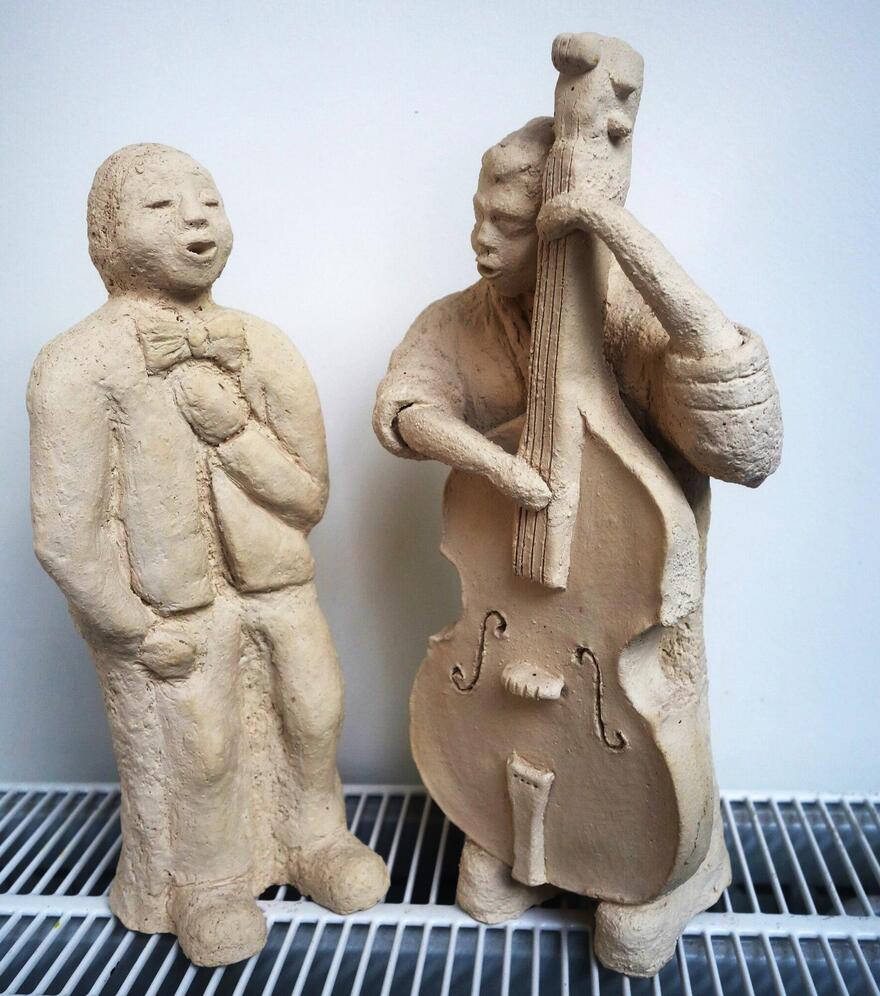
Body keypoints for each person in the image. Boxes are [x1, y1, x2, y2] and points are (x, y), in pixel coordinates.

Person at [373, 118, 782, 975]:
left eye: (510, 226)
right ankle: (511, 831)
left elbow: (748, 450)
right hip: (507, 615)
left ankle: (683, 864)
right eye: (478, 215)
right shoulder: (459, 320)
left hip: (623, 619)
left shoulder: (632, 326)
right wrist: (494, 464)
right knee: (482, 888)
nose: (482, 240)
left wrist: (612, 226)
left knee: (628, 934)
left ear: (555, 230)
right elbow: (407, 407)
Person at [28, 144, 388, 967]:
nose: (195, 219)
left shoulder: (263, 345)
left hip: (280, 587)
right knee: (203, 748)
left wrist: (232, 432)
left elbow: (307, 496)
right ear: (104, 236)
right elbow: (67, 532)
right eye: (160, 206)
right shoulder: (76, 366)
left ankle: (316, 840)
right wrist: (132, 629)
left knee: (314, 712)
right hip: (171, 610)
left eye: (209, 202)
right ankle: (206, 884)